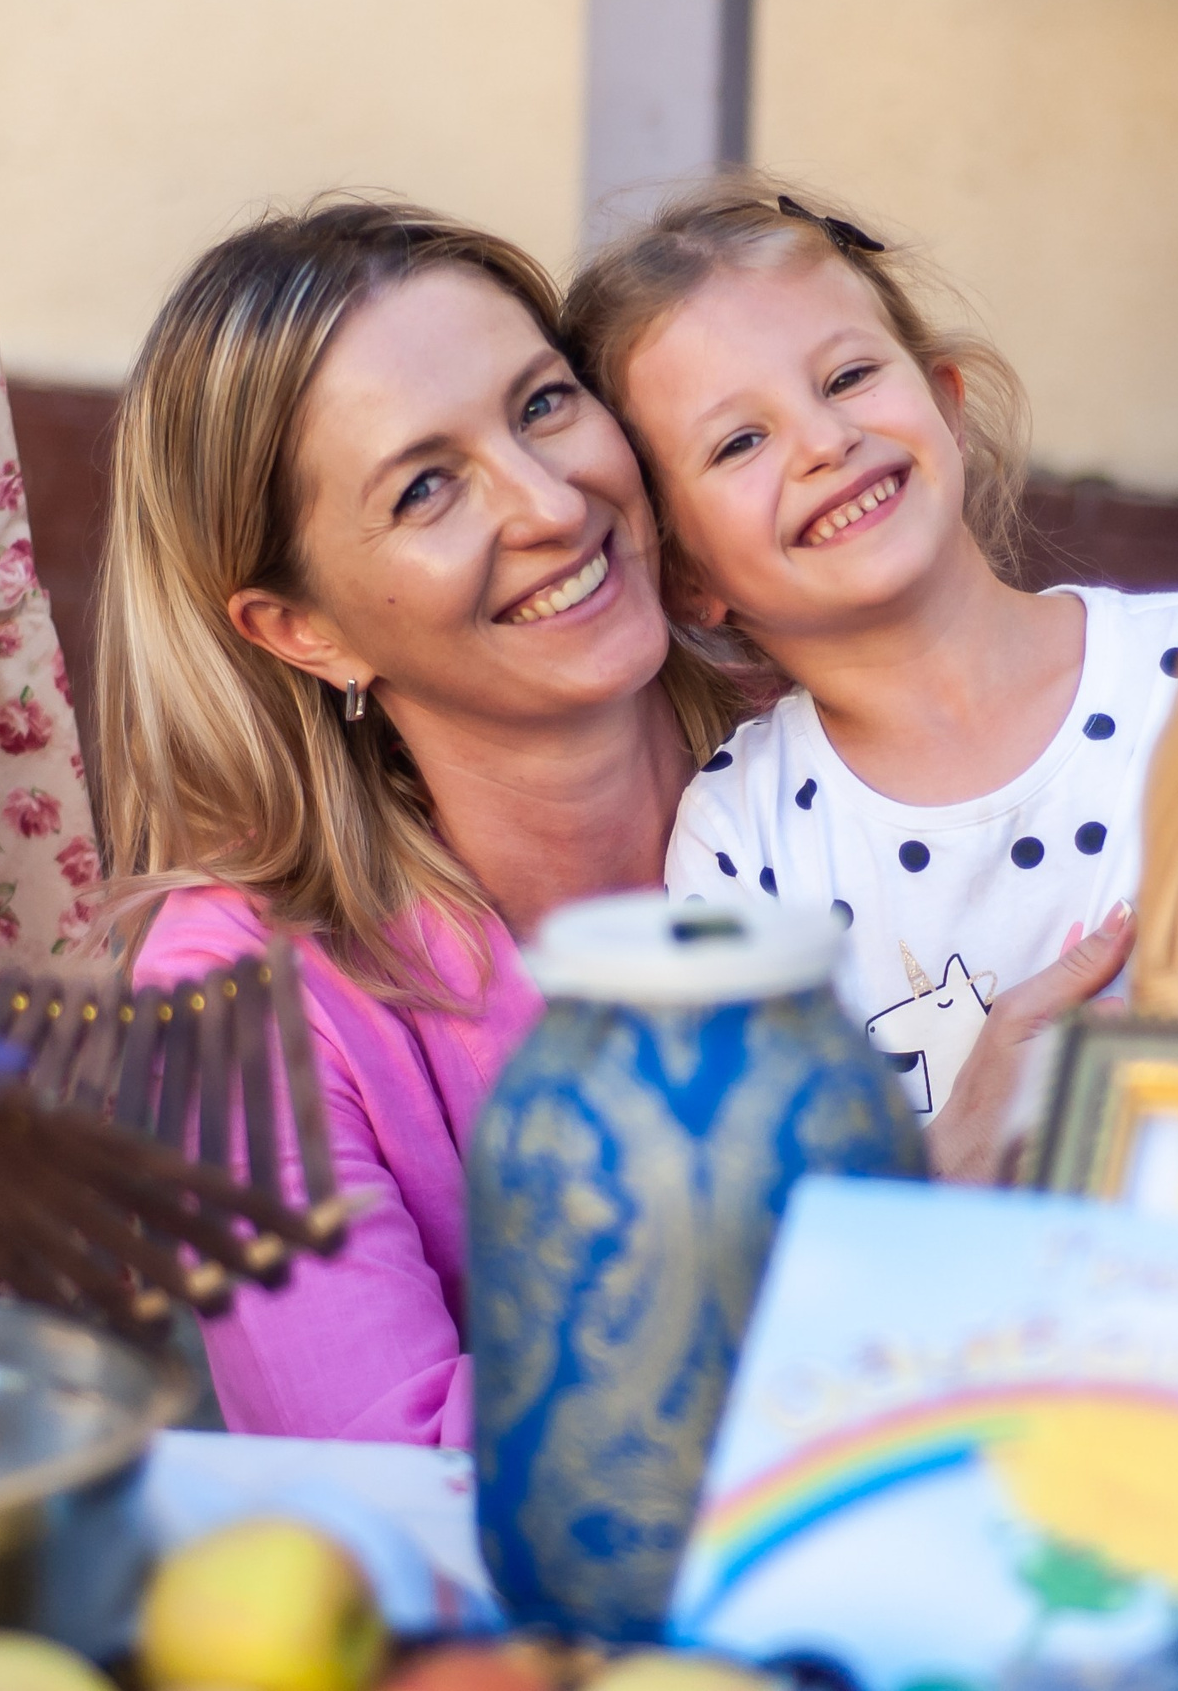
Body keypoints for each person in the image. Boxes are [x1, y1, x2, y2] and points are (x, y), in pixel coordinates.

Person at [563, 176, 1178, 1180]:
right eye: (739, 441)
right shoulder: (740, 834)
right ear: (689, 575)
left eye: (846, 378)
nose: (823, 440)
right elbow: (773, 1223)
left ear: (947, 405)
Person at [94, 200, 753, 1445]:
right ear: (305, 631)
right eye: (427, 487)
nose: (550, 504)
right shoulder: (234, 1007)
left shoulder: (827, 738)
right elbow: (395, 1475)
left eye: (544, 404)